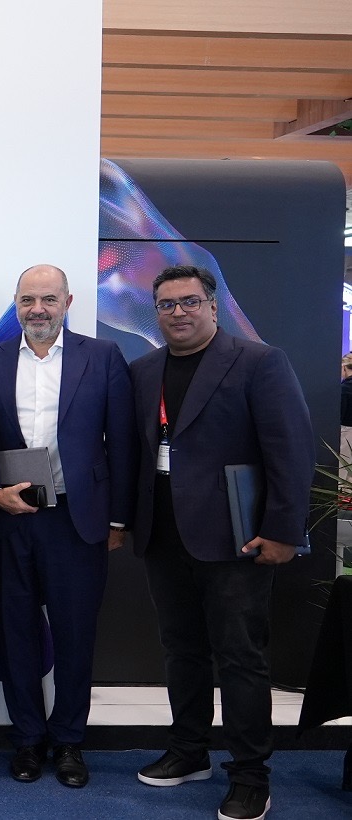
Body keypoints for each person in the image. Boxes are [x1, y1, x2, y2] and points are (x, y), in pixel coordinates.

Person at [130, 265, 314, 820]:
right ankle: (189, 751)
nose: (178, 312)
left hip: (238, 538)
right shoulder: (143, 370)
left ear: (213, 305)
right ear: (155, 313)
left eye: (189, 301)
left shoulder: (259, 361)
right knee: (180, 650)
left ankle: (251, 774)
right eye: (167, 304)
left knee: (240, 657)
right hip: (163, 534)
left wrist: (284, 530)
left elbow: (291, 450)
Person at [0, 264, 136, 789]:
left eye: (47, 299)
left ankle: (68, 741)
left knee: (74, 637)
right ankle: (27, 739)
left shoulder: (102, 356)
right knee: (15, 634)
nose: (37, 309)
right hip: (10, 519)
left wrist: (118, 519)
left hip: (76, 520)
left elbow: (123, 441)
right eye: (27, 300)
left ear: (67, 301)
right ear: (16, 304)